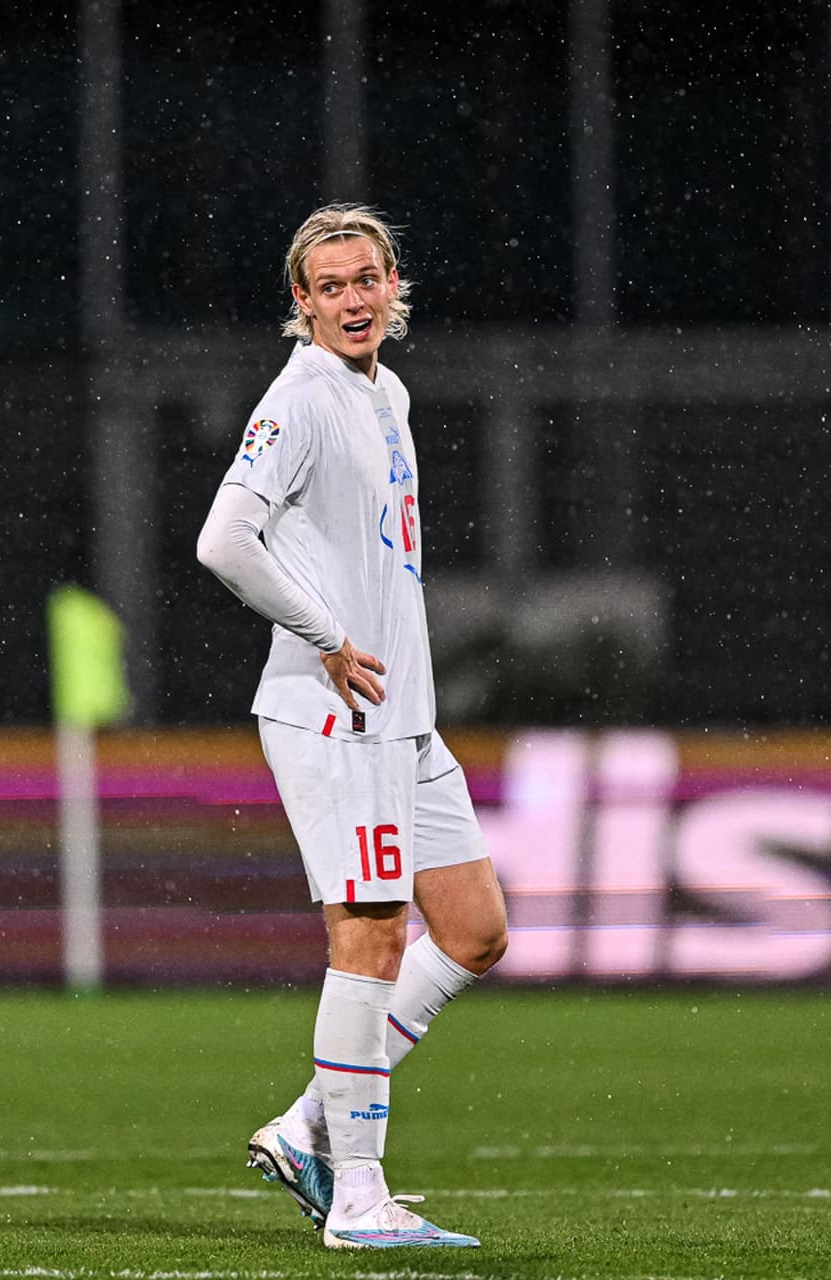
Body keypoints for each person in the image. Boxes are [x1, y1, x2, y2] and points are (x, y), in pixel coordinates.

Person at [195, 204, 508, 1250]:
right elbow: (223, 539)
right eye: (328, 287)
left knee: (472, 928)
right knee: (368, 933)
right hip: (334, 712)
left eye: (365, 279)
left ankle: (304, 1126)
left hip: (401, 716)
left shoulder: (389, 390)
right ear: (302, 302)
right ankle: (360, 1195)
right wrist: (325, 632)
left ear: (392, 283)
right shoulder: (302, 400)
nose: (351, 299)